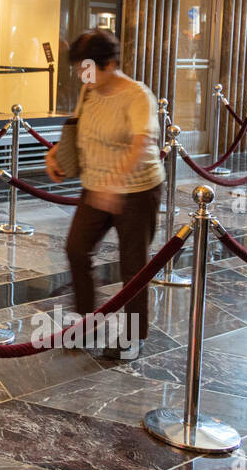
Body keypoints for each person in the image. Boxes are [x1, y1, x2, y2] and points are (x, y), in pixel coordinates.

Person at [45, 29, 164, 359]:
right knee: (76, 250)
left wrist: (116, 185)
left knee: (133, 266)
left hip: (138, 191)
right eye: (80, 68)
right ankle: (85, 323)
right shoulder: (89, 90)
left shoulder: (137, 96)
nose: (83, 75)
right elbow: (79, 127)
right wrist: (54, 153)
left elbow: (143, 144)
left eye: (88, 67)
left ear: (110, 64)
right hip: (95, 186)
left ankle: (133, 336)